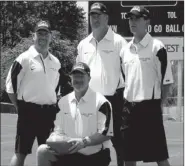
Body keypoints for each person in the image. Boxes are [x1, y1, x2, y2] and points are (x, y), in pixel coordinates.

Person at [5, 20, 68, 166]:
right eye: (39, 33)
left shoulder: (56, 62)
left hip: (49, 114)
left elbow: (56, 88)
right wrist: (19, 106)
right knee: (21, 153)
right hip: (28, 111)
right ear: (34, 36)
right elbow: (10, 87)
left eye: (46, 34)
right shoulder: (24, 58)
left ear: (50, 36)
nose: (42, 37)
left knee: (49, 153)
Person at [120, 6, 173, 166]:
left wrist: (157, 105)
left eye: (137, 18)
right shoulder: (124, 50)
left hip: (150, 108)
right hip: (129, 109)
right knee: (128, 157)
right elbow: (125, 79)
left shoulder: (157, 47)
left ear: (147, 21)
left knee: (160, 157)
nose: (132, 22)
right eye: (130, 18)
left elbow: (167, 82)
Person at [77, 2, 127, 166]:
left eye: (99, 15)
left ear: (106, 17)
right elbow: (78, 75)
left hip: (114, 101)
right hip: (90, 101)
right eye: (92, 15)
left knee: (122, 146)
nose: (95, 19)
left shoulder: (119, 42)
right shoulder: (83, 44)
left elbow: (129, 75)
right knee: (90, 146)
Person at [37, 62, 113, 166]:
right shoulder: (63, 102)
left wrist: (84, 142)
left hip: (94, 156)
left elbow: (106, 134)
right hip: (69, 153)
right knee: (42, 151)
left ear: (89, 78)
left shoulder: (101, 102)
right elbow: (58, 130)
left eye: (82, 76)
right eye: (75, 76)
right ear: (70, 79)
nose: (78, 80)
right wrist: (55, 141)